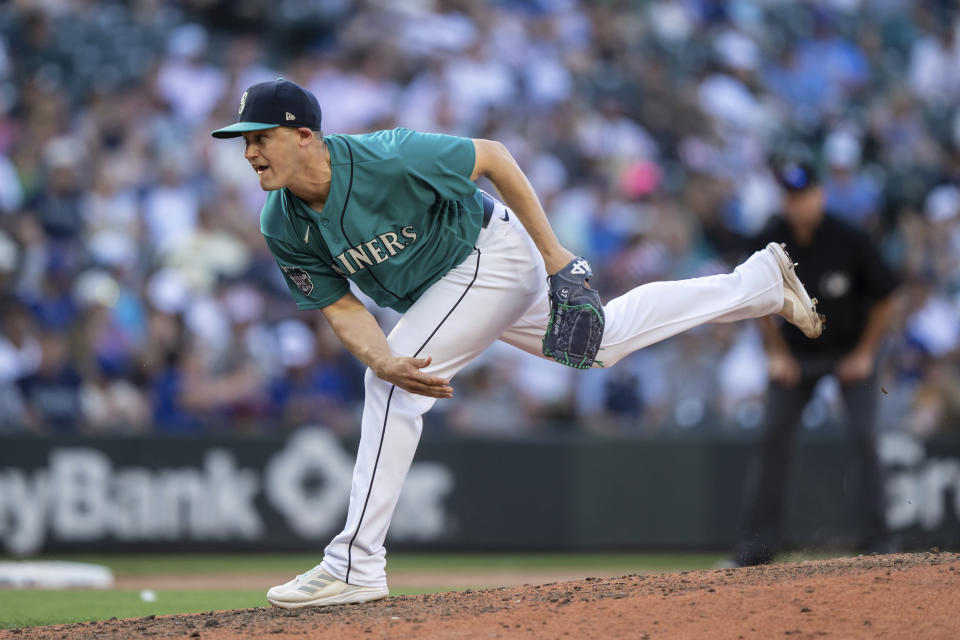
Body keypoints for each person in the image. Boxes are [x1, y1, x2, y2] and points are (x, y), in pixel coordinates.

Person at [210, 78, 824, 608]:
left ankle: (355, 565)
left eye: (261, 136)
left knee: (391, 390)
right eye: (245, 139)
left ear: (305, 136)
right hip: (456, 285)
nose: (249, 151)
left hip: (488, 254)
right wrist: (382, 355)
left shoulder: (386, 157)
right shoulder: (281, 221)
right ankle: (759, 282)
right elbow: (338, 304)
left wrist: (558, 258)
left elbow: (496, 158)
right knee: (599, 342)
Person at [733, 163, 899, 567]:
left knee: (864, 436)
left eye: (803, 195)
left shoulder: (849, 238)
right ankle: (757, 548)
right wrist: (775, 353)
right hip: (797, 356)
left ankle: (878, 542)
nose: (796, 204)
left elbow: (885, 295)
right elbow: (749, 298)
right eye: (789, 196)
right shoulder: (770, 241)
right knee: (773, 438)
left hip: (849, 351)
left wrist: (864, 353)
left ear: (819, 195)